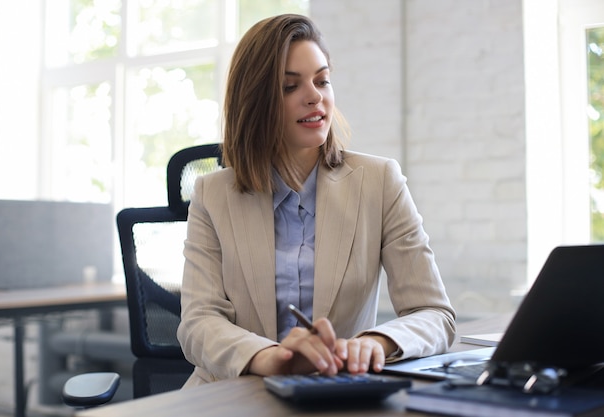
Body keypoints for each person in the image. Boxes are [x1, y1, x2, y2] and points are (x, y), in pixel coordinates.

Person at [177, 13, 456, 387]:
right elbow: (198, 323)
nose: (315, 96)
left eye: (322, 80)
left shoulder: (380, 182)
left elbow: (434, 312)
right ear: (256, 102)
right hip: (231, 393)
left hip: (334, 390)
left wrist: (378, 341)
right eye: (290, 86)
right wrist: (268, 357)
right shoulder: (212, 195)